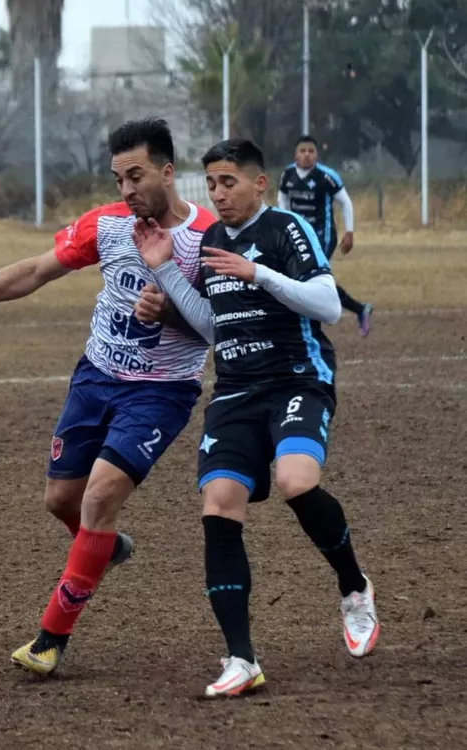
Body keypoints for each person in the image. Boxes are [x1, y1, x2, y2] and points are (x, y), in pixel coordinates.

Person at [0, 118, 215, 675]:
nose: (127, 190)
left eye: (137, 175)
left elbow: (221, 328)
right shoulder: (106, 225)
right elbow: (34, 271)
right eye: (118, 178)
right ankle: (106, 547)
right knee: (62, 502)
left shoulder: (208, 237)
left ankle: (49, 641)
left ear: (169, 172)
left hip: (161, 391)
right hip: (96, 377)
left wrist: (169, 309)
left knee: (99, 497)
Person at [134, 137, 379, 698]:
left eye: (229, 183)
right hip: (237, 390)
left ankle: (353, 586)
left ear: (258, 183)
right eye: (212, 185)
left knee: (295, 481)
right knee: (218, 503)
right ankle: (241, 659)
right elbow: (214, 329)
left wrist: (259, 274)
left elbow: (327, 308)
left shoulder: (287, 229)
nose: (218, 195)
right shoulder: (211, 241)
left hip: (297, 379)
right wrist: (166, 274)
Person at [278, 136, 372, 336]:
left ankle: (310, 322)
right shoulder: (287, 174)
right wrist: (283, 224)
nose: (307, 155)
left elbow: (345, 202)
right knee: (305, 277)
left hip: (323, 235)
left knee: (310, 275)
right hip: (298, 235)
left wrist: (349, 232)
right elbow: (283, 198)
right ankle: (359, 309)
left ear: (316, 154)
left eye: (311, 151)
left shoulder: (326, 176)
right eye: (302, 151)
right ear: (296, 154)